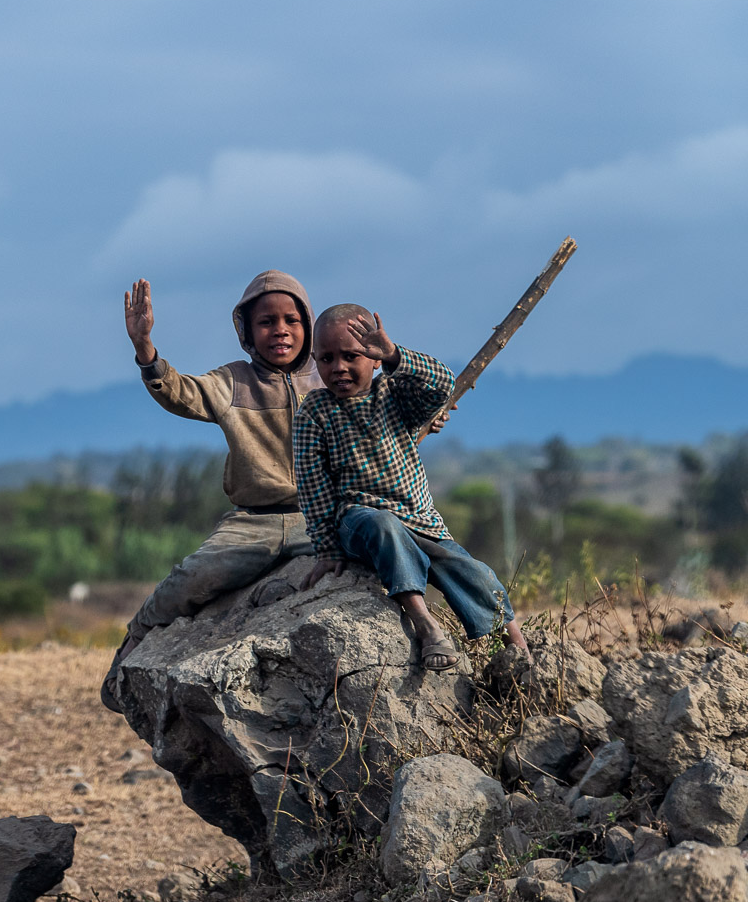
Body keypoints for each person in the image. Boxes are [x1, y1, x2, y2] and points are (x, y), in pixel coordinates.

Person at [100, 271, 321, 713]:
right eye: (266, 322)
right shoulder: (235, 381)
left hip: (320, 518)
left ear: (308, 326)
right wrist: (145, 349)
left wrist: (425, 413)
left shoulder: (329, 377)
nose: (280, 330)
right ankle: (132, 647)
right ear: (246, 332)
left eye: (291, 321)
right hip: (253, 522)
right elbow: (181, 393)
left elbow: (379, 415)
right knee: (191, 578)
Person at [292, 304, 529, 670]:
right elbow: (313, 486)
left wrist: (394, 354)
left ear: (374, 358)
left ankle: (521, 654)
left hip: (419, 519)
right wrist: (327, 548)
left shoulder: (395, 394)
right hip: (360, 520)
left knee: (474, 573)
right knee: (384, 525)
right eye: (326, 359)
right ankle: (425, 625)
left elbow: (442, 384)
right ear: (315, 361)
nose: (338, 367)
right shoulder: (315, 411)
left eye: (351, 356)